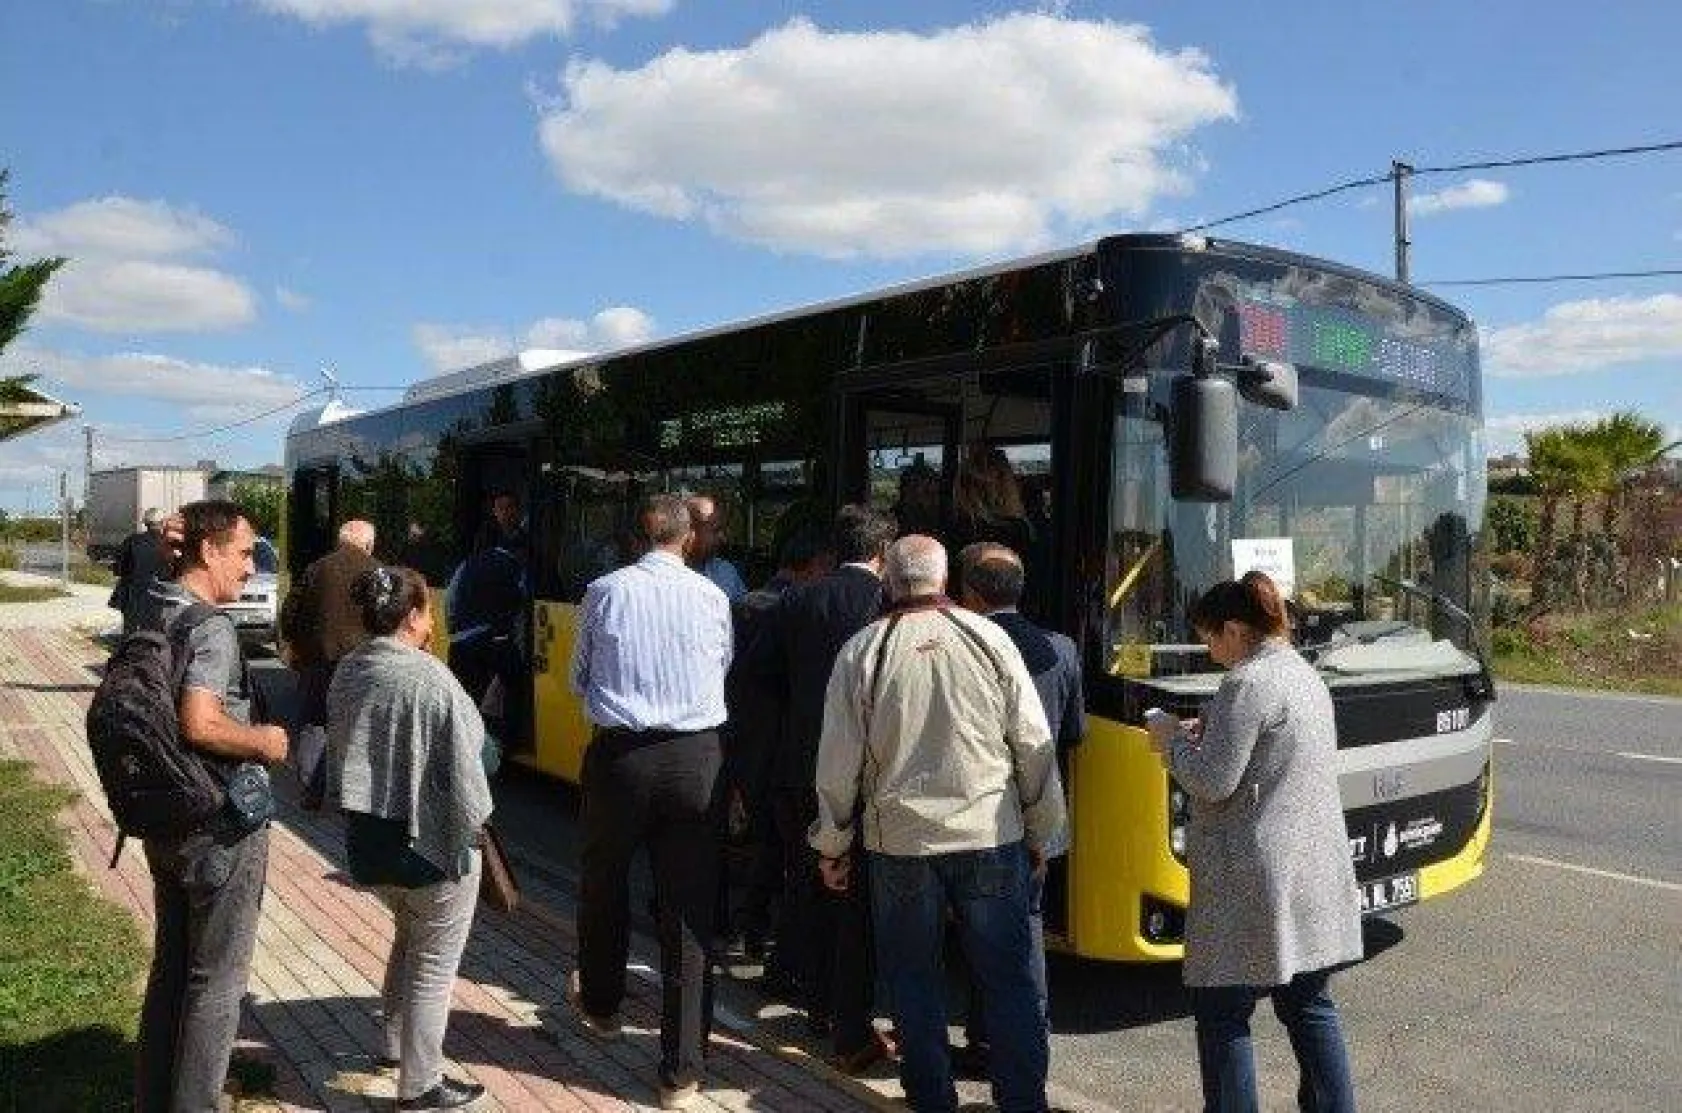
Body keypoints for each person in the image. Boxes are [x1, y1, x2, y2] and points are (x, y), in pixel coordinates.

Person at [810, 535, 1066, 1113]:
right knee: (1008, 980)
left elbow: (838, 762)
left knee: (913, 979)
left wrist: (832, 844)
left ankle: (931, 1099)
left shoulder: (863, 651)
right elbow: (1033, 743)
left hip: (898, 843)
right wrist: (1041, 832)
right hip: (990, 834)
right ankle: (1023, 1100)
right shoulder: (991, 639)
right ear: (945, 580)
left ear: (889, 584)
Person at [1146, 571, 1362, 1113]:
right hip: (1311, 867)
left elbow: (1214, 781)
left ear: (1236, 630)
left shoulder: (1247, 682)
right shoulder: (1302, 673)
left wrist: (1170, 742)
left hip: (1252, 875)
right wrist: (1210, 729)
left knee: (1221, 1011)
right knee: (1309, 1005)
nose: (1209, 649)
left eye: (1211, 637)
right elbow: (1267, 752)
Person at [567, 493, 733, 1110]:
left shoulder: (605, 590)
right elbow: (722, 667)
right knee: (687, 911)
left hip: (623, 758)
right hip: (697, 760)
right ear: (688, 538)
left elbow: (578, 678)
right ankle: (681, 1070)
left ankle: (603, 1005)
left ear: (637, 536)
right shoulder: (714, 595)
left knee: (603, 881)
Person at [134, 500, 290, 1113]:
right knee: (218, 984)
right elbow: (200, 722)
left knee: (171, 969)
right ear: (208, 552)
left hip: (164, 816)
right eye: (245, 552)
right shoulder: (212, 627)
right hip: (217, 825)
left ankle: (154, 1099)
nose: (252, 567)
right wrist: (265, 741)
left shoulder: (156, 608)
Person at [327, 565, 493, 1111]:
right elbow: (476, 756)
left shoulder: (350, 667)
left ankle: (394, 1046)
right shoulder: (430, 677)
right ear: (416, 615)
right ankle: (420, 1085)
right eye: (428, 612)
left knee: (408, 935)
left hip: (368, 843)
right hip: (429, 844)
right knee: (434, 964)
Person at [744, 503, 897, 1071]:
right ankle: (852, 1005)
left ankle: (808, 989)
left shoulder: (798, 600)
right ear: (882, 555)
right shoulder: (891, 604)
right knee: (869, 892)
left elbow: (757, 680)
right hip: (881, 771)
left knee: (809, 876)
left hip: (804, 765)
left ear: (836, 551)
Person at [954, 541, 1084, 1076]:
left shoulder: (960, 648)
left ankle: (985, 1041)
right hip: (1040, 812)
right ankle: (1032, 1036)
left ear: (969, 593)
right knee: (1027, 924)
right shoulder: (1062, 648)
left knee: (976, 930)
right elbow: (1075, 733)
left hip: (980, 813)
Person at [721, 524, 831, 962]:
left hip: (741, 738)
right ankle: (764, 932)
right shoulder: (795, 610)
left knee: (749, 836)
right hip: (783, 743)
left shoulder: (742, 604)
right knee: (780, 845)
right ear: (815, 566)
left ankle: (742, 924)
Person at [278, 519, 378, 809]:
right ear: (369, 544)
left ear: (340, 541)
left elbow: (290, 611)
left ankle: (311, 792)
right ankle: (354, 800)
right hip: (363, 664)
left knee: (315, 723)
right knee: (360, 727)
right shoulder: (379, 571)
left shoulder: (317, 568)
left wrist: (293, 644)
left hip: (319, 660)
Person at [447, 501, 528, 746]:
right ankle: (498, 743)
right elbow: (522, 601)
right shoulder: (514, 566)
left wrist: (455, 630)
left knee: (466, 697)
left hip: (462, 643)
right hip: (495, 642)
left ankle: (463, 745)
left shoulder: (466, 565)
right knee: (511, 684)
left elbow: (450, 600)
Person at [110, 507, 169, 635]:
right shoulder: (168, 543)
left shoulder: (131, 541)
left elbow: (118, 568)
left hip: (132, 596)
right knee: (155, 630)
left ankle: (128, 650)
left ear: (145, 523)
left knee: (130, 630)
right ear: (163, 523)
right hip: (159, 596)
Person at [685, 493, 747, 602]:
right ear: (690, 530)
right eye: (715, 530)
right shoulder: (662, 576)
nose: (723, 538)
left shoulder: (725, 572)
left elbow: (744, 612)